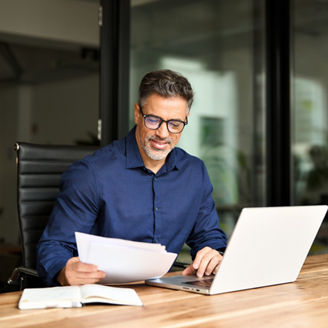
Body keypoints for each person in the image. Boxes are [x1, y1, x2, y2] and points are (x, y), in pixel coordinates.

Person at [37, 69, 227, 286]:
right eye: (154, 120)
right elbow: (53, 246)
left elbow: (208, 237)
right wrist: (64, 270)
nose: (163, 134)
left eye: (175, 124)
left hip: (164, 296)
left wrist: (212, 254)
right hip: (103, 298)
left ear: (185, 120)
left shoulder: (194, 172)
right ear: (137, 114)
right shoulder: (92, 174)